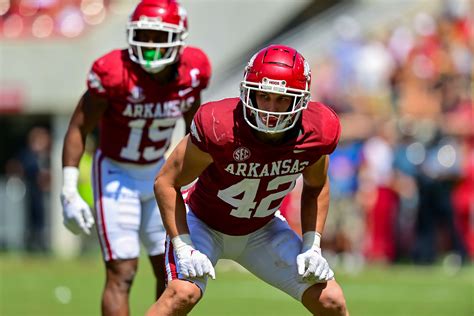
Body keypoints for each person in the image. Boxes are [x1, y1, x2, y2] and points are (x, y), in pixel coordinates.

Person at [147, 45, 348, 315]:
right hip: (203, 224)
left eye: (282, 99)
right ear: (248, 93)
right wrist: (183, 246)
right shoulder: (220, 127)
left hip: (262, 229)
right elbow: (166, 182)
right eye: (263, 96)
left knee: (331, 300)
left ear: (300, 101)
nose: (271, 109)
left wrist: (312, 246)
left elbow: (316, 186)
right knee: (182, 294)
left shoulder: (316, 131)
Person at [60, 0, 211, 315]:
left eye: (159, 37)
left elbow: (194, 127)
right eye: (144, 34)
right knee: (122, 272)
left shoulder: (192, 72)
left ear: (179, 38)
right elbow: (78, 126)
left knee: (170, 271)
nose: (151, 45)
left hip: (159, 174)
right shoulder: (113, 72)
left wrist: (194, 176)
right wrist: (69, 188)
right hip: (116, 173)